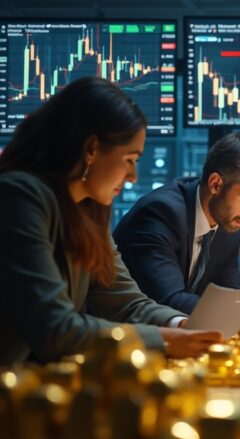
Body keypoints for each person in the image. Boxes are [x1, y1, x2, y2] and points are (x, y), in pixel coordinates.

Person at [0, 77, 222, 367]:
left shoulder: (86, 210)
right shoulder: (18, 196)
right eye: (130, 159)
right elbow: (56, 329)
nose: (133, 177)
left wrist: (182, 325)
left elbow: (126, 303)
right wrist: (165, 340)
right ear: (91, 149)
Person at [113, 131, 240, 315]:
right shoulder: (161, 213)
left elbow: (227, 294)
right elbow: (169, 300)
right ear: (215, 184)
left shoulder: (229, 225)